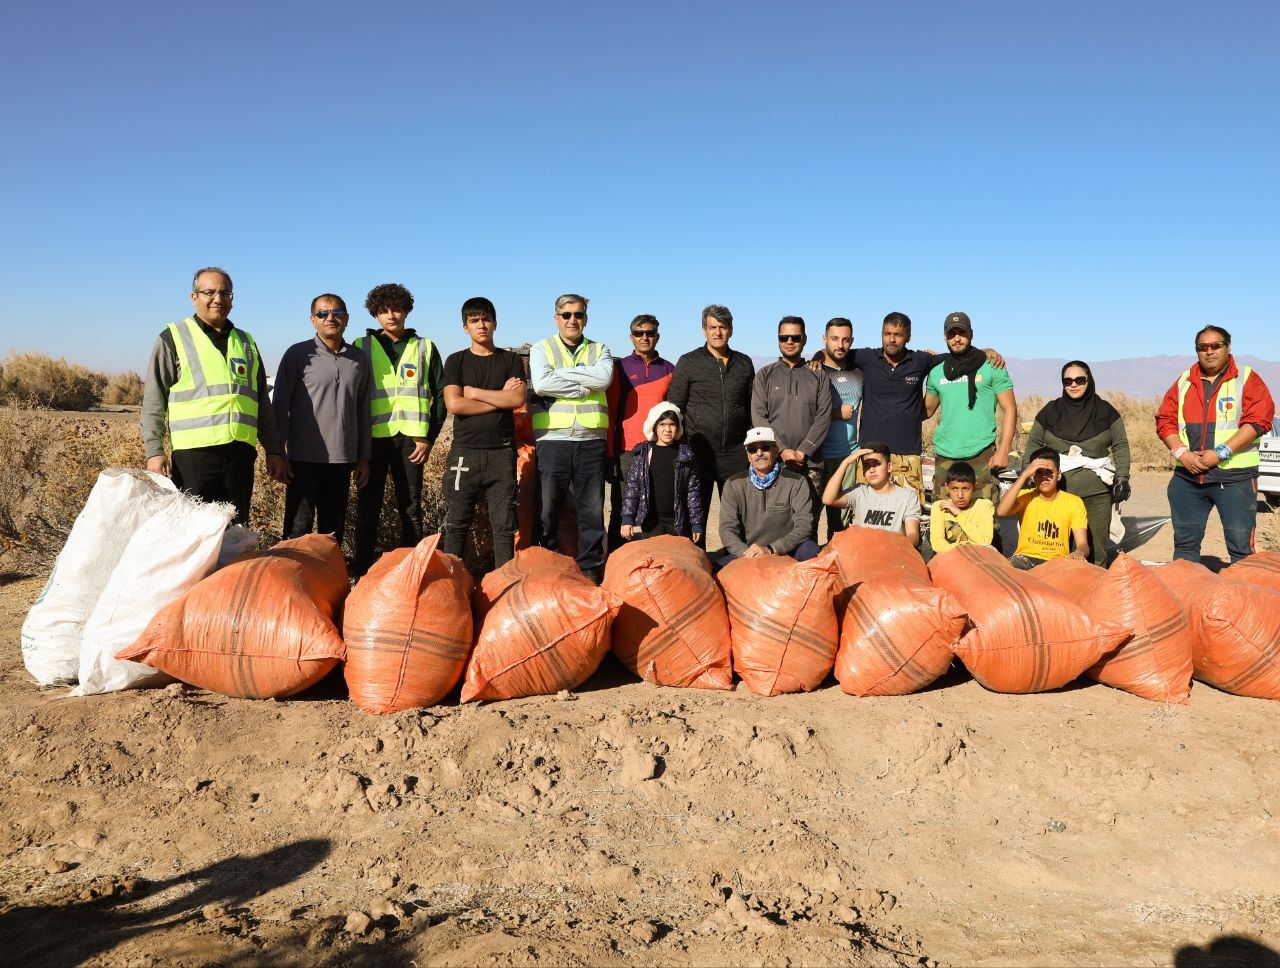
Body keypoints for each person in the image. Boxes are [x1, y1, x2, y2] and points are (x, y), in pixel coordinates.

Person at [141, 266, 286, 525]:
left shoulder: (246, 342)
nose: (218, 298)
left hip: (239, 455)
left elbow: (261, 401)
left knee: (236, 531)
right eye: (209, 292)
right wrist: (154, 452)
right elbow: (154, 400)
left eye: (225, 292)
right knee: (193, 532)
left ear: (232, 298)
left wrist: (273, 449)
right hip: (194, 457)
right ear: (194, 297)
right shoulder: (173, 337)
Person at [1155, 325, 1275, 564]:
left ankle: (1243, 600)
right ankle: (1187, 598)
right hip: (1188, 479)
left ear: (1228, 347)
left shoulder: (1247, 378)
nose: (1209, 351)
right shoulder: (1184, 381)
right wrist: (1182, 453)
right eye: (1203, 347)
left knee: (1241, 550)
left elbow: (1259, 420)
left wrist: (1221, 453)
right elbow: (1165, 420)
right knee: (1184, 549)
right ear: (1197, 350)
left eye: (1215, 346)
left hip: (1234, 480)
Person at [352, 283, 445, 576]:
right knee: (368, 508)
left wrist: (428, 438)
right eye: (383, 311)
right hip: (373, 442)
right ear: (375, 315)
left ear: (406, 310)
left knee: (411, 509)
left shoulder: (425, 347)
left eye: (396, 309)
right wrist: (358, 450)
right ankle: (362, 570)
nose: (390, 315)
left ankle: (413, 571)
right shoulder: (360, 347)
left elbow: (441, 395)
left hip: (412, 442)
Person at [272, 294, 371, 545]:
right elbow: (280, 406)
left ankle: (329, 584)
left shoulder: (359, 359)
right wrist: (278, 453)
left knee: (332, 534)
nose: (330, 318)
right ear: (313, 320)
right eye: (323, 314)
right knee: (297, 532)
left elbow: (363, 410)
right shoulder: (298, 355)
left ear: (346, 319)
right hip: (302, 459)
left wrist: (363, 457)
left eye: (337, 313)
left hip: (342, 460)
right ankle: (293, 583)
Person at [529, 293, 614, 582]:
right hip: (554, 438)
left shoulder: (600, 349)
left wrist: (561, 376)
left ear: (585, 318)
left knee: (591, 509)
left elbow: (602, 380)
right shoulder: (542, 348)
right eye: (566, 315)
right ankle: (548, 564)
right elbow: (541, 384)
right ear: (556, 318)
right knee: (549, 507)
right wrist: (581, 383)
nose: (572, 320)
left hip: (591, 439)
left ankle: (590, 569)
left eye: (578, 315)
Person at [440, 297, 526, 570]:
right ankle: (452, 584)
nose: (481, 325)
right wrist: (500, 396)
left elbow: (517, 400)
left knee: (503, 527)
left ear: (495, 323)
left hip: (502, 452)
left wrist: (475, 393)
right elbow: (454, 404)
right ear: (465, 327)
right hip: (465, 453)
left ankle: (504, 587)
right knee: (456, 525)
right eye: (474, 321)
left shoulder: (510, 359)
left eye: (486, 319)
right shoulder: (456, 361)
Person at [1025, 361, 1130, 565]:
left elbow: (1121, 446)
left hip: (1096, 494)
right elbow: (1033, 445)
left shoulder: (1106, 412)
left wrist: (1123, 478)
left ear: (1089, 381)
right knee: (1054, 551)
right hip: (1057, 494)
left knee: (1097, 553)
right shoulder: (1050, 411)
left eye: (1080, 380)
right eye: (1068, 381)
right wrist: (1029, 474)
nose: (1074, 385)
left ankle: (1096, 593)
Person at [667, 304, 755, 532]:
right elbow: (675, 406)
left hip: (735, 453)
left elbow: (751, 405)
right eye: (712, 327)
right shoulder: (688, 362)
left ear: (731, 330)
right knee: (696, 513)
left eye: (723, 327)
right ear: (704, 330)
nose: (718, 332)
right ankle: (698, 561)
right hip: (698, 452)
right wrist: (678, 446)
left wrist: (751, 444)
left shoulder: (744, 363)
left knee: (737, 514)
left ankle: (733, 562)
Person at [924, 312, 1017, 508]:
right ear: (945, 337)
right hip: (945, 454)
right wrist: (916, 369)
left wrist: (1004, 450)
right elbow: (926, 410)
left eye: (962, 333)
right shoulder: (936, 370)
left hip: (981, 453)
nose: (956, 338)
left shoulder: (992, 364)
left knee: (986, 518)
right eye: (951, 334)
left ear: (971, 334)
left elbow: (1009, 408)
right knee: (944, 516)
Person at [750, 316, 834, 527]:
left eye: (795, 337)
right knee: (775, 525)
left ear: (804, 339)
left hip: (811, 463)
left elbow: (824, 416)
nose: (789, 341)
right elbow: (759, 417)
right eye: (784, 337)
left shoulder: (819, 376)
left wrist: (803, 451)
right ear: (778, 340)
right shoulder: (764, 375)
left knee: (808, 524)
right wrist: (782, 450)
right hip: (774, 463)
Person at [606, 314, 674, 547]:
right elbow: (611, 413)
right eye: (639, 333)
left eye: (650, 333)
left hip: (658, 451)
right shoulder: (619, 368)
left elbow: (672, 415)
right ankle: (615, 563)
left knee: (655, 509)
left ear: (657, 336)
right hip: (627, 451)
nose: (644, 337)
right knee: (622, 511)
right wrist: (609, 453)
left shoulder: (669, 369)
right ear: (631, 337)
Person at [716, 428, 819, 565]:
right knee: (710, 572)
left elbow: (805, 526)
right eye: (752, 449)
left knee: (811, 550)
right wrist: (747, 553)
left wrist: (771, 549)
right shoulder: (733, 484)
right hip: (748, 555)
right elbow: (727, 529)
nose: (759, 453)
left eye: (765, 447)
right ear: (748, 456)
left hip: (786, 553)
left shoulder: (796, 482)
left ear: (776, 451)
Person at [618, 403, 705, 543]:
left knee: (677, 560)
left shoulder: (686, 456)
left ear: (678, 428)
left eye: (672, 424)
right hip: (653, 521)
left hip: (678, 522)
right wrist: (627, 518)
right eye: (662, 424)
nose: (667, 429)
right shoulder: (643, 454)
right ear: (654, 427)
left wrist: (696, 524)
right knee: (656, 558)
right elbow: (633, 488)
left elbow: (692, 492)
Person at [811, 317, 864, 538]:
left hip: (847, 458)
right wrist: (835, 413)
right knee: (809, 519)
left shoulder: (859, 372)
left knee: (840, 525)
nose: (839, 345)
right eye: (834, 339)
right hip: (817, 458)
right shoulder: (813, 371)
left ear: (851, 341)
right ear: (824, 339)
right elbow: (803, 413)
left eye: (845, 340)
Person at [997, 447, 1089, 569]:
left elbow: (1083, 544)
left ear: (1059, 475)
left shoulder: (1074, 502)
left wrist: (1079, 553)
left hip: (1058, 562)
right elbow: (1001, 511)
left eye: (1049, 472)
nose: (1044, 477)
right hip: (1025, 559)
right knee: (1005, 572)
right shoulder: (1025, 497)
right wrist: (1024, 475)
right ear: (1033, 475)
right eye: (1039, 472)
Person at [821, 441, 922, 546]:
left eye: (876, 464)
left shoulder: (907, 496)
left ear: (889, 467)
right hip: (863, 554)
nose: (872, 470)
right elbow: (828, 499)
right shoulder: (859, 491)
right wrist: (845, 463)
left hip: (893, 553)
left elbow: (913, 535)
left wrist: (895, 549)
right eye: (867, 466)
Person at [928, 461, 995, 555]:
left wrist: (959, 513)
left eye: (966, 488)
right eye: (954, 488)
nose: (960, 495)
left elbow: (985, 542)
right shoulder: (939, 507)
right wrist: (962, 550)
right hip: (948, 559)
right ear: (947, 487)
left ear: (974, 487)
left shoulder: (985, 506)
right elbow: (937, 543)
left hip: (977, 560)